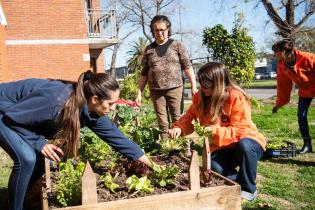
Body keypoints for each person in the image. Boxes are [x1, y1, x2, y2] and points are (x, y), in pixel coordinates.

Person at [0, 70, 152, 210]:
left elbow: (114, 135)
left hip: (16, 114)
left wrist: (143, 158)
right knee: (27, 159)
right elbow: (12, 117)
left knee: (40, 162)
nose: (113, 108)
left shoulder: (91, 109)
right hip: (5, 110)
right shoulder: (56, 101)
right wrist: (39, 143)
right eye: (111, 103)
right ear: (94, 99)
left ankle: (17, 200)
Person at [168, 62, 266, 201]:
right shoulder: (201, 97)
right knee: (213, 168)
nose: (202, 88)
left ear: (218, 83)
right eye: (201, 84)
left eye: (205, 84)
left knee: (245, 146)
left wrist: (213, 130)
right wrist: (179, 127)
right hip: (221, 147)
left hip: (246, 141)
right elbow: (189, 116)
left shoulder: (235, 96)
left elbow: (240, 129)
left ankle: (248, 189)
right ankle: (235, 180)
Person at [135, 15, 197, 133]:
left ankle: (183, 149)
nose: (159, 33)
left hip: (175, 88)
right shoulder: (149, 49)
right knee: (162, 122)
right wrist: (139, 93)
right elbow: (144, 73)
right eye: (156, 30)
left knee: (178, 119)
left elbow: (187, 67)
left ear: (168, 29)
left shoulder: (177, 45)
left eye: (162, 30)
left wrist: (194, 85)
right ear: (153, 31)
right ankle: (167, 148)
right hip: (156, 90)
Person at [271, 40, 314, 154]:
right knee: (301, 115)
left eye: (276, 52)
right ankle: (307, 144)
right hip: (305, 90)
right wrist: (278, 104)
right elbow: (283, 86)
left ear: (284, 52)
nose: (274, 55)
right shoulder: (282, 65)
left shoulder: (308, 58)